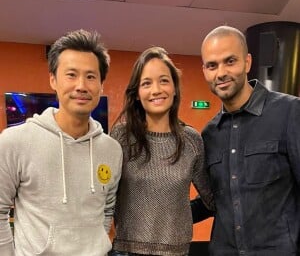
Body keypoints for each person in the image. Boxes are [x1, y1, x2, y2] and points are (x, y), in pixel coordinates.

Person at [0, 29, 123, 256]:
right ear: (53, 80)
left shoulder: (112, 149)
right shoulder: (14, 142)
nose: (81, 86)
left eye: (90, 76)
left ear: (101, 85)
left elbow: (107, 210)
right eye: (71, 74)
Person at [192, 25, 300, 255]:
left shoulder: (290, 112)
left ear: (247, 62)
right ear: (204, 71)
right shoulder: (209, 134)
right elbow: (216, 200)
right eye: (212, 65)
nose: (221, 73)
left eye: (230, 61)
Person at [109, 46, 215, 256]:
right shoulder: (121, 136)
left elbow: (211, 200)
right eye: (146, 83)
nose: (156, 89)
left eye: (164, 80)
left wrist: (176, 215)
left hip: (176, 252)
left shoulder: (191, 140)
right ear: (137, 93)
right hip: (125, 251)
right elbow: (105, 198)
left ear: (175, 89)